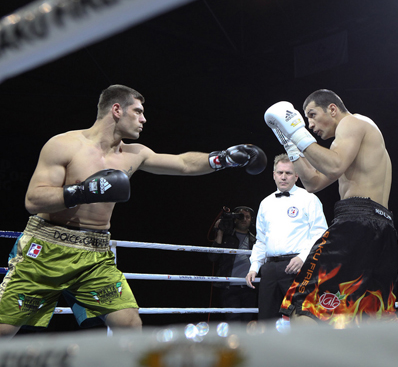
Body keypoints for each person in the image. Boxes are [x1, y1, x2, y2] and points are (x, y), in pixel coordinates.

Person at [0, 84, 267, 338]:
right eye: (138, 111)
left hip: (95, 255)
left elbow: (183, 163)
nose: (144, 119)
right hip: (46, 248)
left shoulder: (134, 153)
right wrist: (84, 191)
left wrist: (222, 158)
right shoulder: (64, 144)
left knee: (129, 323)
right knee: (4, 329)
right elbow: (34, 200)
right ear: (117, 110)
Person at [264, 89, 398, 327]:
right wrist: (291, 143)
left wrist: (296, 131)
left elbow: (334, 167)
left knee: (303, 302)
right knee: (370, 312)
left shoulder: (352, 123)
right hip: (382, 229)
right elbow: (313, 182)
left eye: (312, 115)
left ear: (333, 109)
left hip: (356, 222)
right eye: (305, 120)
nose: (310, 124)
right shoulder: (351, 141)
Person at [245, 154, 327, 321]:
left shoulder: (309, 198)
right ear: (273, 174)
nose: (283, 177)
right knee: (266, 319)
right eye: (280, 172)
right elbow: (261, 239)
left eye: (288, 173)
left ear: (296, 175)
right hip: (269, 268)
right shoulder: (265, 203)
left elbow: (320, 233)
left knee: (301, 318)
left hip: (298, 266)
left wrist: (303, 257)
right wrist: (254, 266)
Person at [208, 206, 257, 323]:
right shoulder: (226, 237)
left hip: (249, 287)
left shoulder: (255, 241)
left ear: (251, 220)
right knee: (233, 321)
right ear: (235, 218)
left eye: (247, 217)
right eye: (240, 216)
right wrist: (220, 232)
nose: (244, 219)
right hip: (229, 287)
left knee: (247, 321)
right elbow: (212, 257)